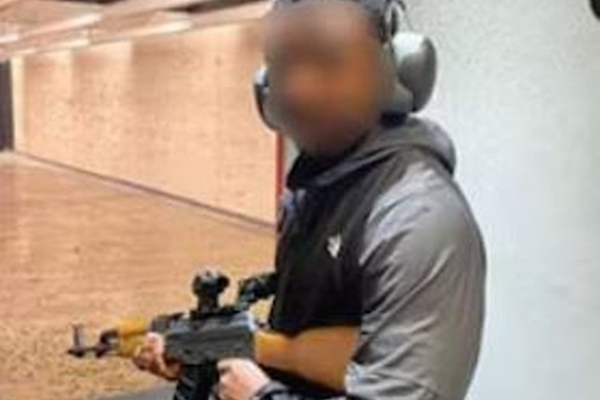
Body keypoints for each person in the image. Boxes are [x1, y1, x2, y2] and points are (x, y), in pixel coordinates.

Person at [133, 1, 486, 400]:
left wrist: (260, 396)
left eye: (328, 59)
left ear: (397, 69)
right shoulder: (316, 185)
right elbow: (302, 337)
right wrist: (208, 354)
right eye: (281, 65)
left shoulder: (416, 217)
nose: (298, 89)